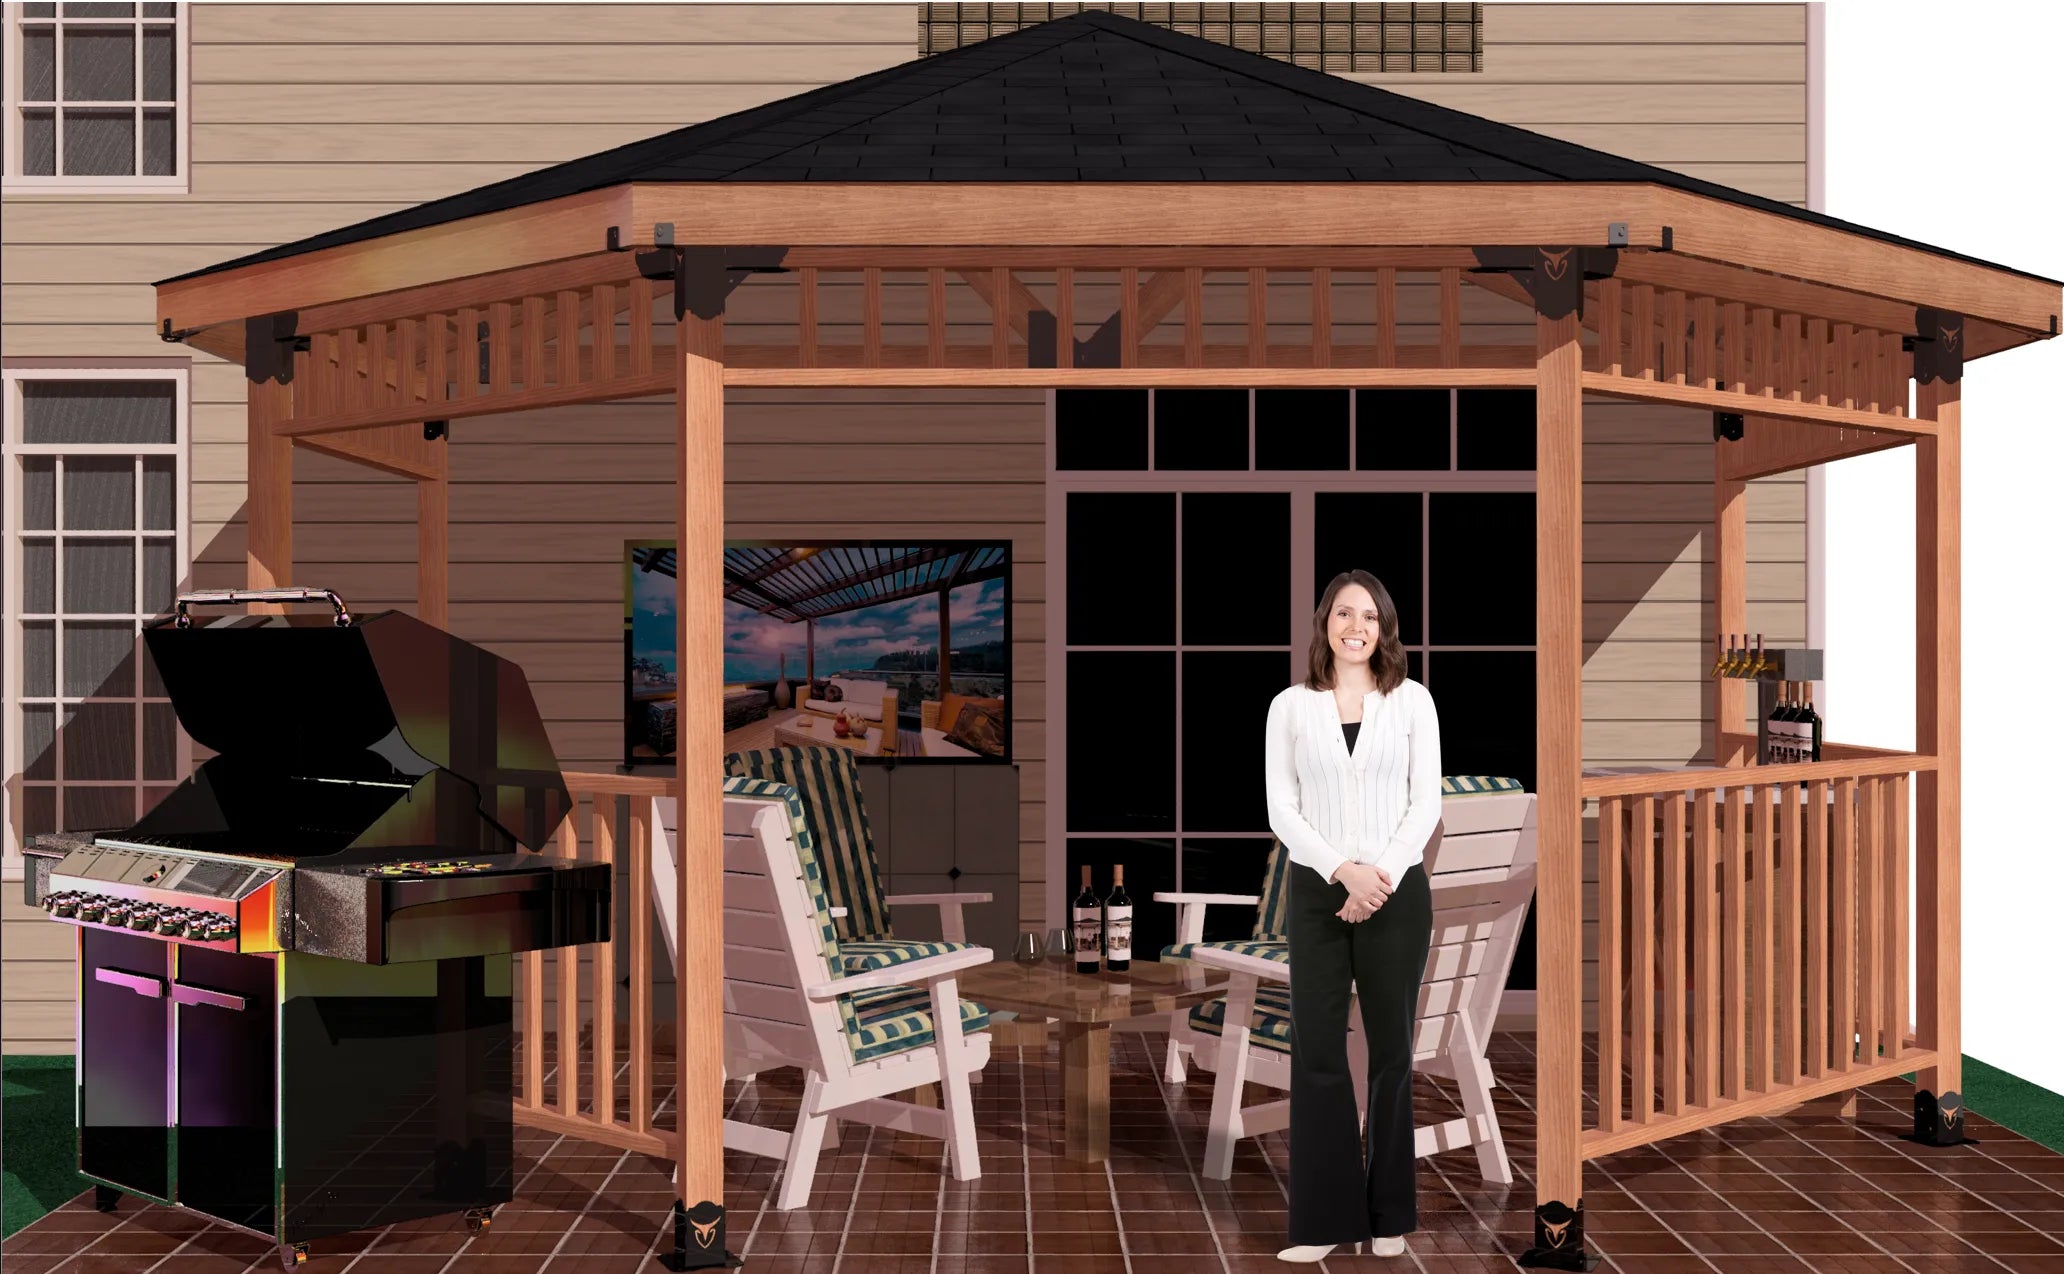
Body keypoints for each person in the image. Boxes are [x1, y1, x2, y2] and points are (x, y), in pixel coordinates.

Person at [1264, 569, 1441, 1263]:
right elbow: (1283, 809)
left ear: (1384, 628)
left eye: (1368, 615)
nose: (1355, 626)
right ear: (1325, 625)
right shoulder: (1289, 708)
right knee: (1316, 1053)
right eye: (1343, 614)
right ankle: (1322, 1220)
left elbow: (1424, 803)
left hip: (1397, 895)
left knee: (1392, 1055)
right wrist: (1344, 872)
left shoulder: (1413, 703)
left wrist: (1381, 876)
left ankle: (1389, 1213)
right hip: (1316, 892)